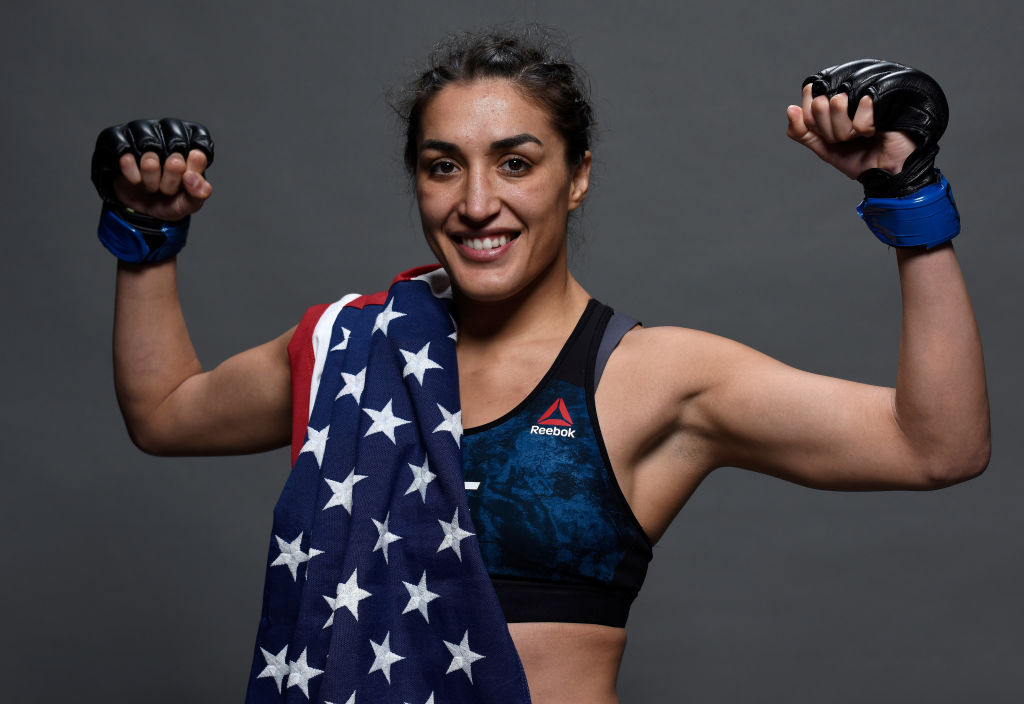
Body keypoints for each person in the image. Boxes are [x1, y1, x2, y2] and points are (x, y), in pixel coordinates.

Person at [94, 30, 989, 704]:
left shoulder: (650, 375)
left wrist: (905, 197)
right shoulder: (353, 350)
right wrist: (146, 236)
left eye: (515, 163)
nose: (478, 202)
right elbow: (166, 411)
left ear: (577, 176)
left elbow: (936, 445)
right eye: (444, 167)